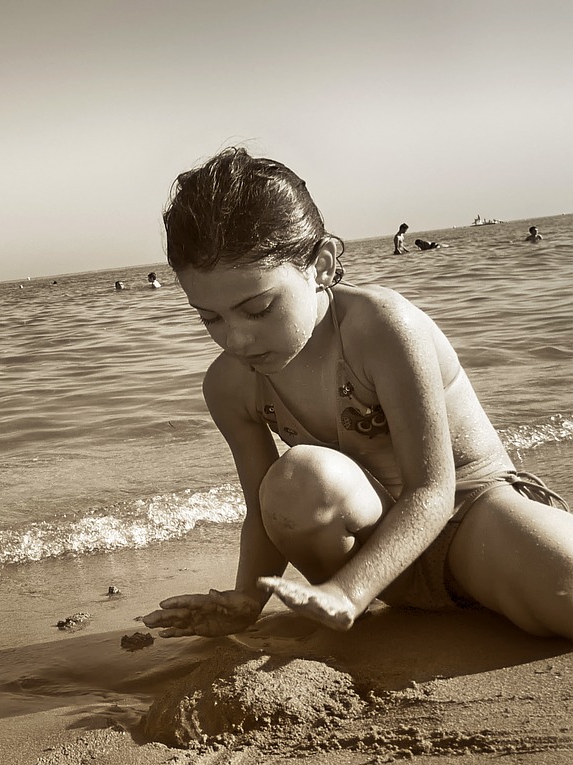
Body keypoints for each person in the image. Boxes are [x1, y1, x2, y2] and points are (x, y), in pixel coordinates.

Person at [140, 148, 573, 642]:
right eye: (209, 318)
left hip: (471, 522)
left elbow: (432, 491)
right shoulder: (229, 385)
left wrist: (348, 591)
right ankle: (365, 603)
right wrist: (247, 601)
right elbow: (262, 512)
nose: (236, 339)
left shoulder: (381, 328)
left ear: (321, 265)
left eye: (257, 308)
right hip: (374, 571)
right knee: (298, 478)